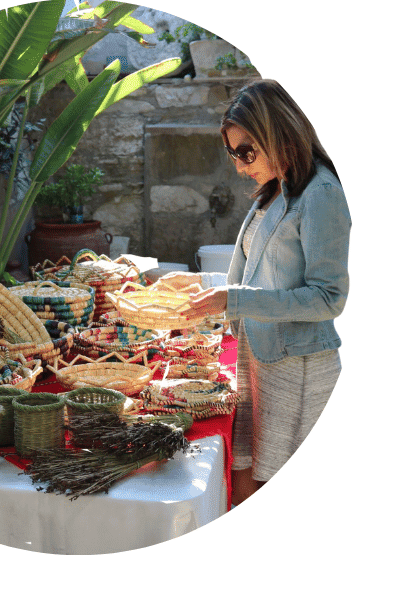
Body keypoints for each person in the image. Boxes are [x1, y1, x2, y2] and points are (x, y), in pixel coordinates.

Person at [158, 79, 351, 506]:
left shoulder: (321, 194)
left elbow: (328, 298)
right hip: (259, 360)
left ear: (278, 132)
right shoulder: (275, 189)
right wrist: (195, 284)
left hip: (298, 369)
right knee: (244, 477)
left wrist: (234, 299)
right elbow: (257, 276)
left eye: (246, 152)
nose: (240, 166)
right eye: (233, 154)